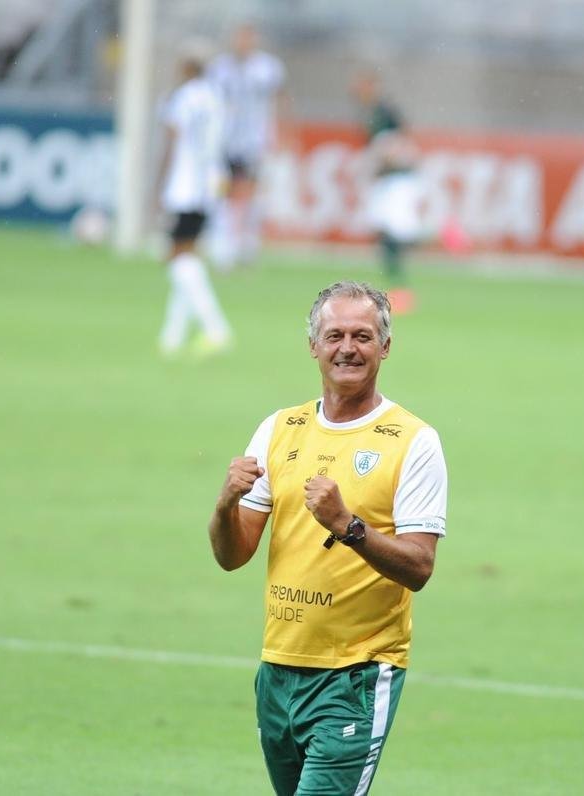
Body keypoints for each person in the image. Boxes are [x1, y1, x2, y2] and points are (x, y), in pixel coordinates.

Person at [209, 280, 448, 795]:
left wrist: (348, 525)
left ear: (385, 347)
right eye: (334, 334)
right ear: (313, 345)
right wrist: (225, 504)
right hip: (278, 669)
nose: (347, 348)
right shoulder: (279, 429)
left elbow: (420, 567)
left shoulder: (415, 442)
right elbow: (233, 555)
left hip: (356, 675)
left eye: (362, 336)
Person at [155, 54, 234, 357]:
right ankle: (171, 336)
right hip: (211, 183)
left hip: (186, 184)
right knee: (187, 256)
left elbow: (172, 140)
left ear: (187, 70)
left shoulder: (183, 97)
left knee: (178, 257)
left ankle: (216, 328)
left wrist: (159, 183)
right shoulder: (216, 97)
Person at [207, 22, 288, 270]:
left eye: (247, 38)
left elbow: (281, 100)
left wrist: (282, 134)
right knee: (223, 194)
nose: (243, 43)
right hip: (226, 141)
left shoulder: (268, 68)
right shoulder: (220, 68)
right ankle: (224, 250)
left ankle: (247, 248)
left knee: (252, 195)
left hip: (255, 142)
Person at [352, 68, 421, 314]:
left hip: (397, 181)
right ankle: (396, 287)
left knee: (396, 232)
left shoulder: (383, 112)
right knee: (384, 231)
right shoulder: (371, 112)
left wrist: (380, 163)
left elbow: (394, 146)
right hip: (387, 181)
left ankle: (400, 289)